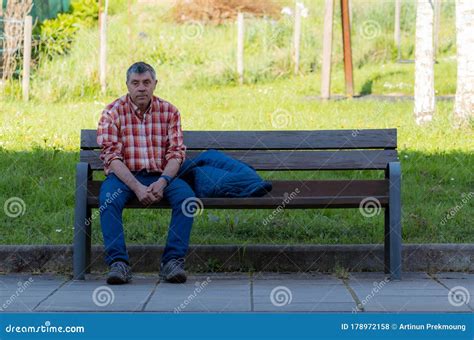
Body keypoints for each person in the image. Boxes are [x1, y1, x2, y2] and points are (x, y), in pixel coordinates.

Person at [96, 61, 195, 285]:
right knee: (107, 201)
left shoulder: (170, 111)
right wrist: (137, 187)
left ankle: (172, 262)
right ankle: (118, 263)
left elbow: (176, 154)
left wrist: (162, 182)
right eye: (136, 83)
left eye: (146, 82)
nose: (141, 88)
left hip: (161, 176)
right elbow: (111, 156)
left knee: (187, 199)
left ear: (155, 84)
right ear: (127, 85)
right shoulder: (112, 112)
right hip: (123, 177)